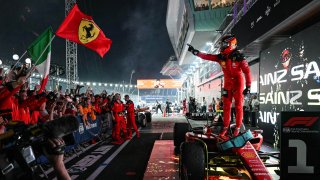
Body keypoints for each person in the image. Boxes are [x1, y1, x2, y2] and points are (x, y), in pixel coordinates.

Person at [188, 34, 251, 137]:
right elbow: (207, 56)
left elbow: (247, 72)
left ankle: (238, 127)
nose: (222, 46)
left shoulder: (239, 57)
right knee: (226, 106)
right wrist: (196, 52)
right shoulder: (220, 57)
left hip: (238, 82)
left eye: (225, 44)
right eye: (222, 44)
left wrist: (248, 86)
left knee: (239, 106)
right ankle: (225, 127)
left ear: (231, 44)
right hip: (227, 83)